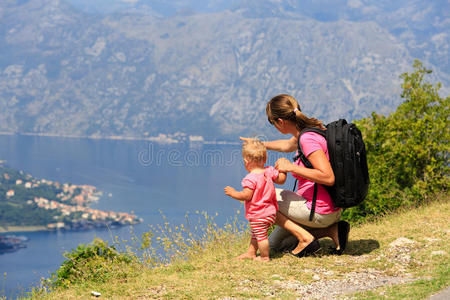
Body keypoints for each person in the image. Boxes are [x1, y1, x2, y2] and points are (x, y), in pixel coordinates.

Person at [241, 94, 350, 257]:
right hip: (327, 209)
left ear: (280, 122)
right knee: (275, 245)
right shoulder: (309, 131)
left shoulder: (307, 139)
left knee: (260, 194)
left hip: (319, 209)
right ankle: (332, 230)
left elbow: (328, 177)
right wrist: (259, 145)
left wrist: (292, 167)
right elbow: (286, 145)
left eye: (273, 124)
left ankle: (305, 237)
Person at [224, 139, 287, 261]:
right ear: (264, 159)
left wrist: (233, 193)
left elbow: (246, 195)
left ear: (246, 161)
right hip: (270, 212)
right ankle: (251, 252)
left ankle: (264, 257)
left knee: (261, 237)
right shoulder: (269, 171)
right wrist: (283, 169)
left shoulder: (250, 178)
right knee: (256, 233)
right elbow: (281, 180)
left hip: (259, 214)